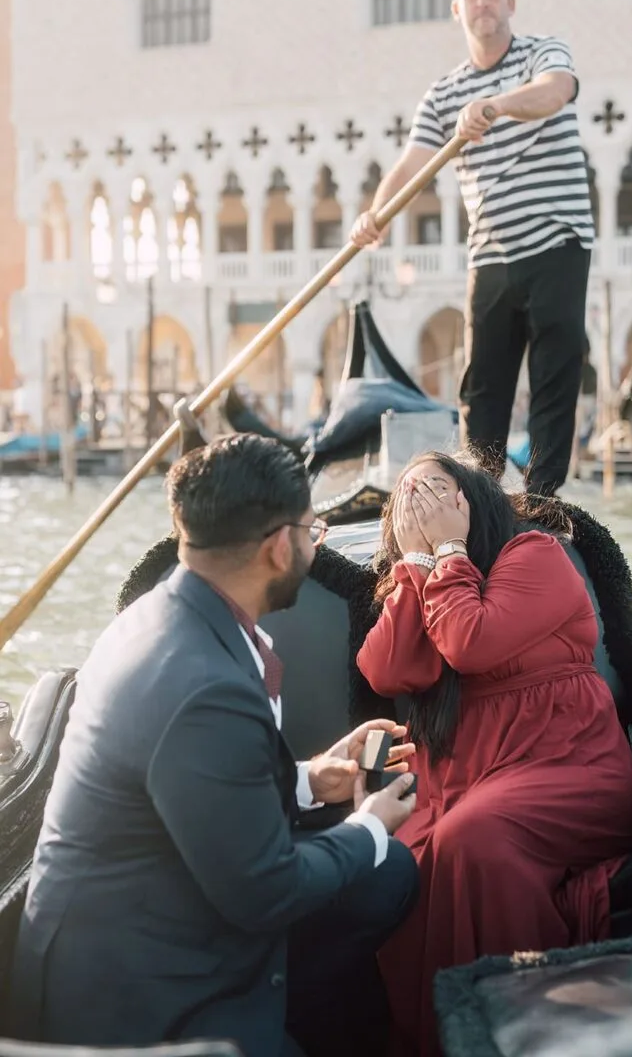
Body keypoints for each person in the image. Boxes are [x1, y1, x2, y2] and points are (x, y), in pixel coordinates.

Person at [11, 434, 419, 1057]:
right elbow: (267, 892)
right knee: (380, 858)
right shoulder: (205, 686)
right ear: (281, 547)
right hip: (138, 997)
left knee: (386, 876)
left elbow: (198, 786)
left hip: (150, 909)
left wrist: (311, 778)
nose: (317, 544)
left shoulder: (159, 617)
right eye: (314, 529)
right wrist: (367, 824)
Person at [357, 451, 632, 1056]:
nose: (423, 506)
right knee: (401, 847)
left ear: (474, 499)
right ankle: (438, 1034)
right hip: (465, 772)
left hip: (567, 763)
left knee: (474, 837)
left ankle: (517, 1030)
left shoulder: (536, 555)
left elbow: (470, 643)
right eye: (409, 498)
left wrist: (449, 553)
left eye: (437, 492)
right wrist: (416, 562)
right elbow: (387, 669)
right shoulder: (425, 577)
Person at [350, 0, 594, 495]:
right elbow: (413, 163)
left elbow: (554, 92)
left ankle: (544, 506)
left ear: (510, 4)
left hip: (558, 240)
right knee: (481, 389)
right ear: (457, 10)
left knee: (555, 379)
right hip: (490, 254)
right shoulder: (442, 94)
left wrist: (495, 106)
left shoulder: (542, 52)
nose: (483, 3)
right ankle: (477, 501)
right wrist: (377, 213)